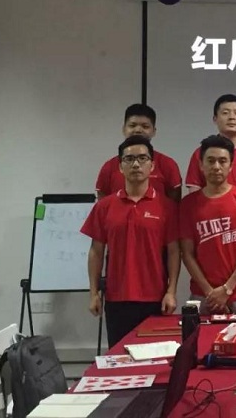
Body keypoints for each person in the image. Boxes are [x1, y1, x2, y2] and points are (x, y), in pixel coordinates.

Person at [81, 135, 180, 347]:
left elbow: (174, 251)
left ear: (152, 166)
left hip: (155, 298)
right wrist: (93, 293)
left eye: (143, 158)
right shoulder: (104, 206)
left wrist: (171, 292)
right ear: (120, 167)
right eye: (129, 159)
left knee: (154, 357)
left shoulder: (167, 207)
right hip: (117, 297)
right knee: (119, 357)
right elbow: (96, 251)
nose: (136, 164)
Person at [179, 135, 236, 314]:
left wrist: (227, 288)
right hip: (203, 294)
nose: (216, 167)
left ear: (231, 166)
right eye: (211, 161)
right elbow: (187, 253)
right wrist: (210, 293)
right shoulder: (188, 204)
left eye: (222, 161)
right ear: (201, 165)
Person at [95, 104, 182, 202]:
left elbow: (174, 205)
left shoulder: (168, 164)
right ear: (124, 129)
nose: (138, 130)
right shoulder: (109, 167)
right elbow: (103, 205)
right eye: (132, 125)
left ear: (154, 131)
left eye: (145, 126)